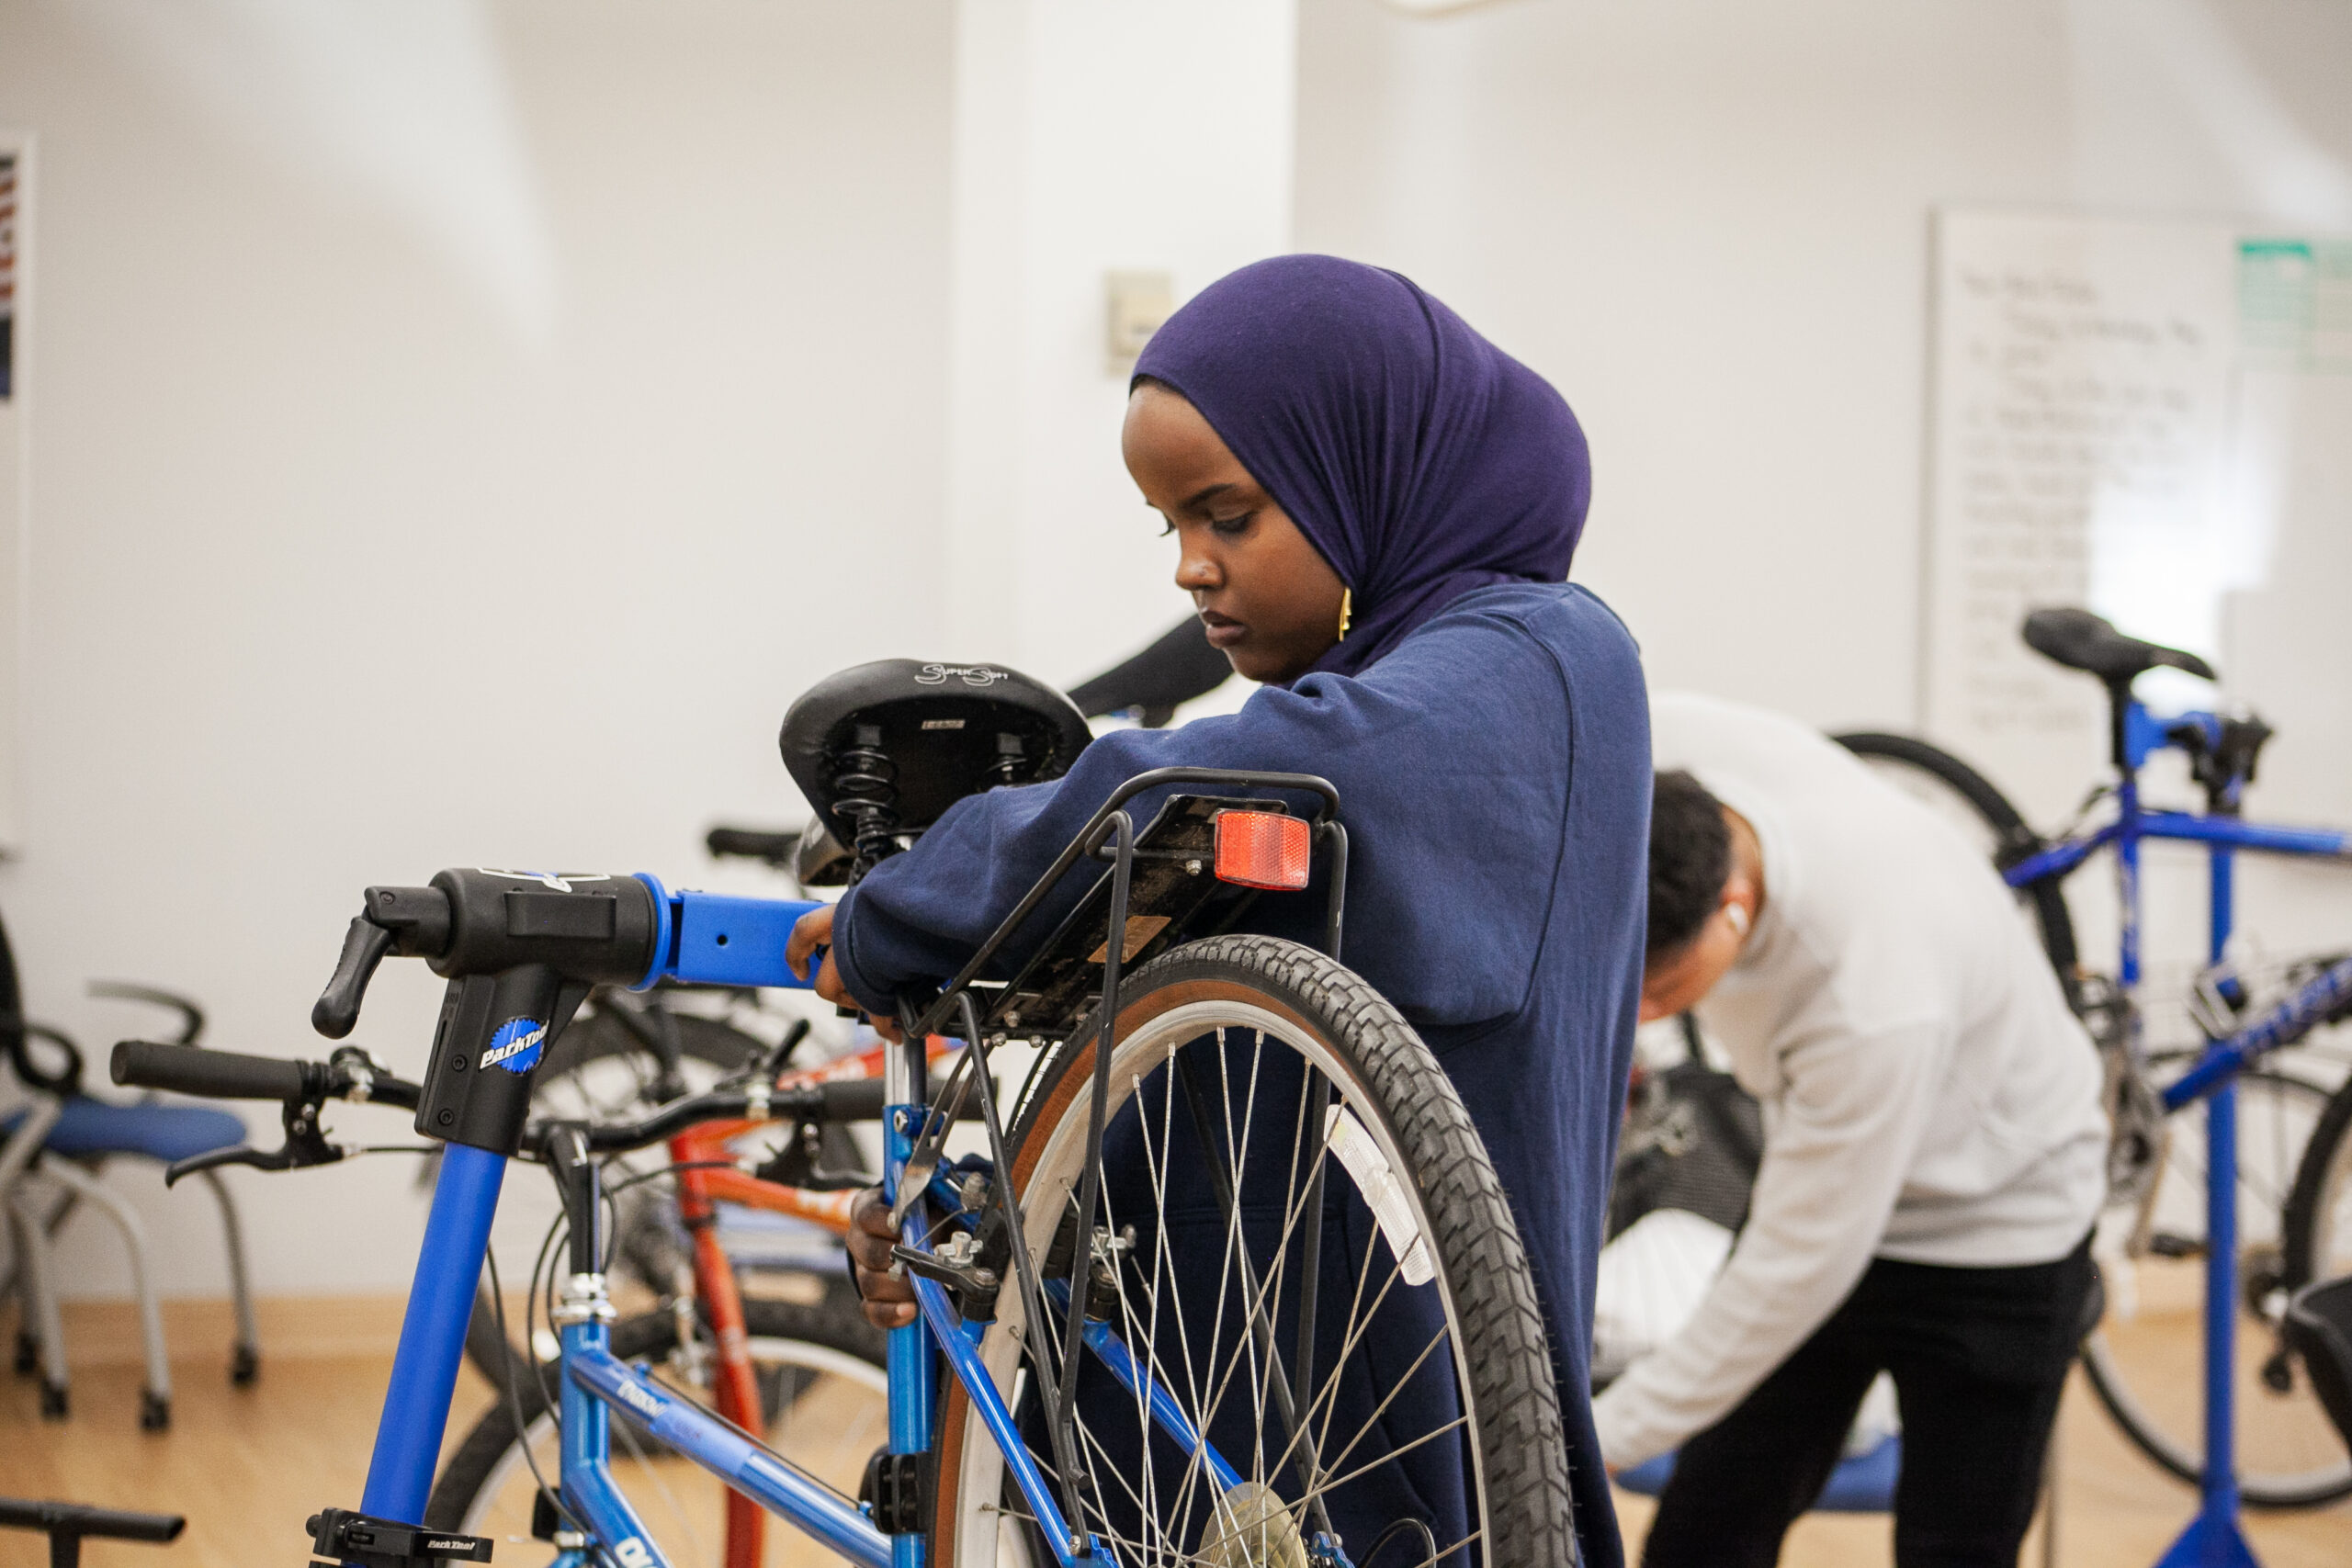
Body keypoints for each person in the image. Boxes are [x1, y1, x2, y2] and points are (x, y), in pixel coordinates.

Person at [785, 254, 1650, 1567]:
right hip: (1218, 1420)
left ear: (1367, 469)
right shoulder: (1391, 686)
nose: (1191, 569)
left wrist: (893, 916)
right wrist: (1000, 1234)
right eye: (1169, 525)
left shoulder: (1539, 656)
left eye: (1228, 513)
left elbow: (1171, 783)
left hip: (1392, 1432)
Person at [1592, 691, 2109, 1568]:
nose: (1639, 1014)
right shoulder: (1672, 757)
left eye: (1661, 992)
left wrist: (1590, 1441)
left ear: (1733, 907)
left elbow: (1793, 1271)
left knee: (1955, 1548)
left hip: (2000, 1228)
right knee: (1705, 1529)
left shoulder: (1871, 997)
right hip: (1834, 1174)